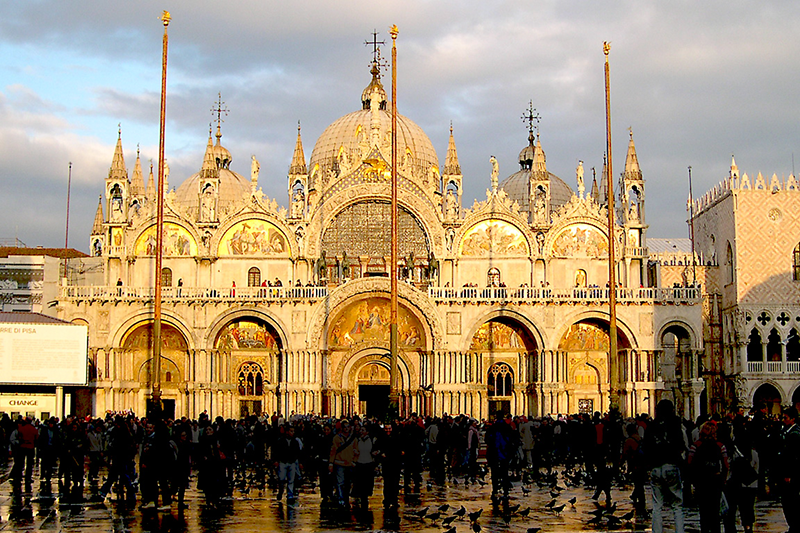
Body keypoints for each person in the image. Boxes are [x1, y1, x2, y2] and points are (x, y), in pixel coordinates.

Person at [644, 399, 688, 533]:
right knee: (677, 504)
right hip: (672, 466)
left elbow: (646, 447)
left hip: (656, 467)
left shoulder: (651, 426)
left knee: (657, 506)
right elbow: (681, 445)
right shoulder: (676, 424)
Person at [688, 421, 728, 533]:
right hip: (715, 481)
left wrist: (693, 481)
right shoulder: (720, 446)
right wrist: (723, 480)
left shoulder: (695, 446)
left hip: (701, 481)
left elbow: (690, 463)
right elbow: (725, 465)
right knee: (715, 512)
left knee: (703, 512)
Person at [779, 407, 800, 533]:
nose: (783, 420)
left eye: (785, 418)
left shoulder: (795, 434)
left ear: (792, 419)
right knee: (788, 501)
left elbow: (792, 457)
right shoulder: (788, 431)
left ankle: (794, 526)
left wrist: (788, 474)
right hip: (788, 473)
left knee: (790, 501)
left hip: (791, 475)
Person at [329, 419, 357, 509]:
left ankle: (346, 498)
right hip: (339, 462)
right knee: (340, 482)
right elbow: (333, 451)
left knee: (348, 483)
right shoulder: (337, 438)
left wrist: (354, 461)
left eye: (348, 427)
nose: (346, 429)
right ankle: (341, 498)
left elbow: (357, 451)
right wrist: (331, 463)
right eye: (344, 427)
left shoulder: (353, 439)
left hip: (349, 463)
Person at [273, 424, 303, 504]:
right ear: (287, 432)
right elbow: (276, 451)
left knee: (291, 480)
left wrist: (299, 462)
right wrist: (276, 460)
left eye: (293, 431)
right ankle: (281, 491)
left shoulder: (295, 442)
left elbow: (298, 452)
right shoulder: (281, 441)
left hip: (292, 462)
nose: (292, 433)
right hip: (283, 462)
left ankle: (290, 495)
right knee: (281, 479)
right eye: (291, 431)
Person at [352, 423, 377, 510]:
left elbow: (376, 450)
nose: (361, 432)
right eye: (360, 430)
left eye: (363, 430)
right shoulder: (357, 440)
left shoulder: (372, 440)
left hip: (369, 464)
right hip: (359, 463)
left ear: (367, 432)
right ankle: (361, 497)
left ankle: (365, 497)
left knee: (367, 483)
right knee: (359, 482)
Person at [9, 417, 37, 484]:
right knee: (30, 464)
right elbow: (36, 438)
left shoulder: (21, 429)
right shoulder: (34, 429)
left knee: (20, 463)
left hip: (22, 447)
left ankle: (18, 476)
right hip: (31, 447)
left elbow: (18, 437)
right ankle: (28, 477)